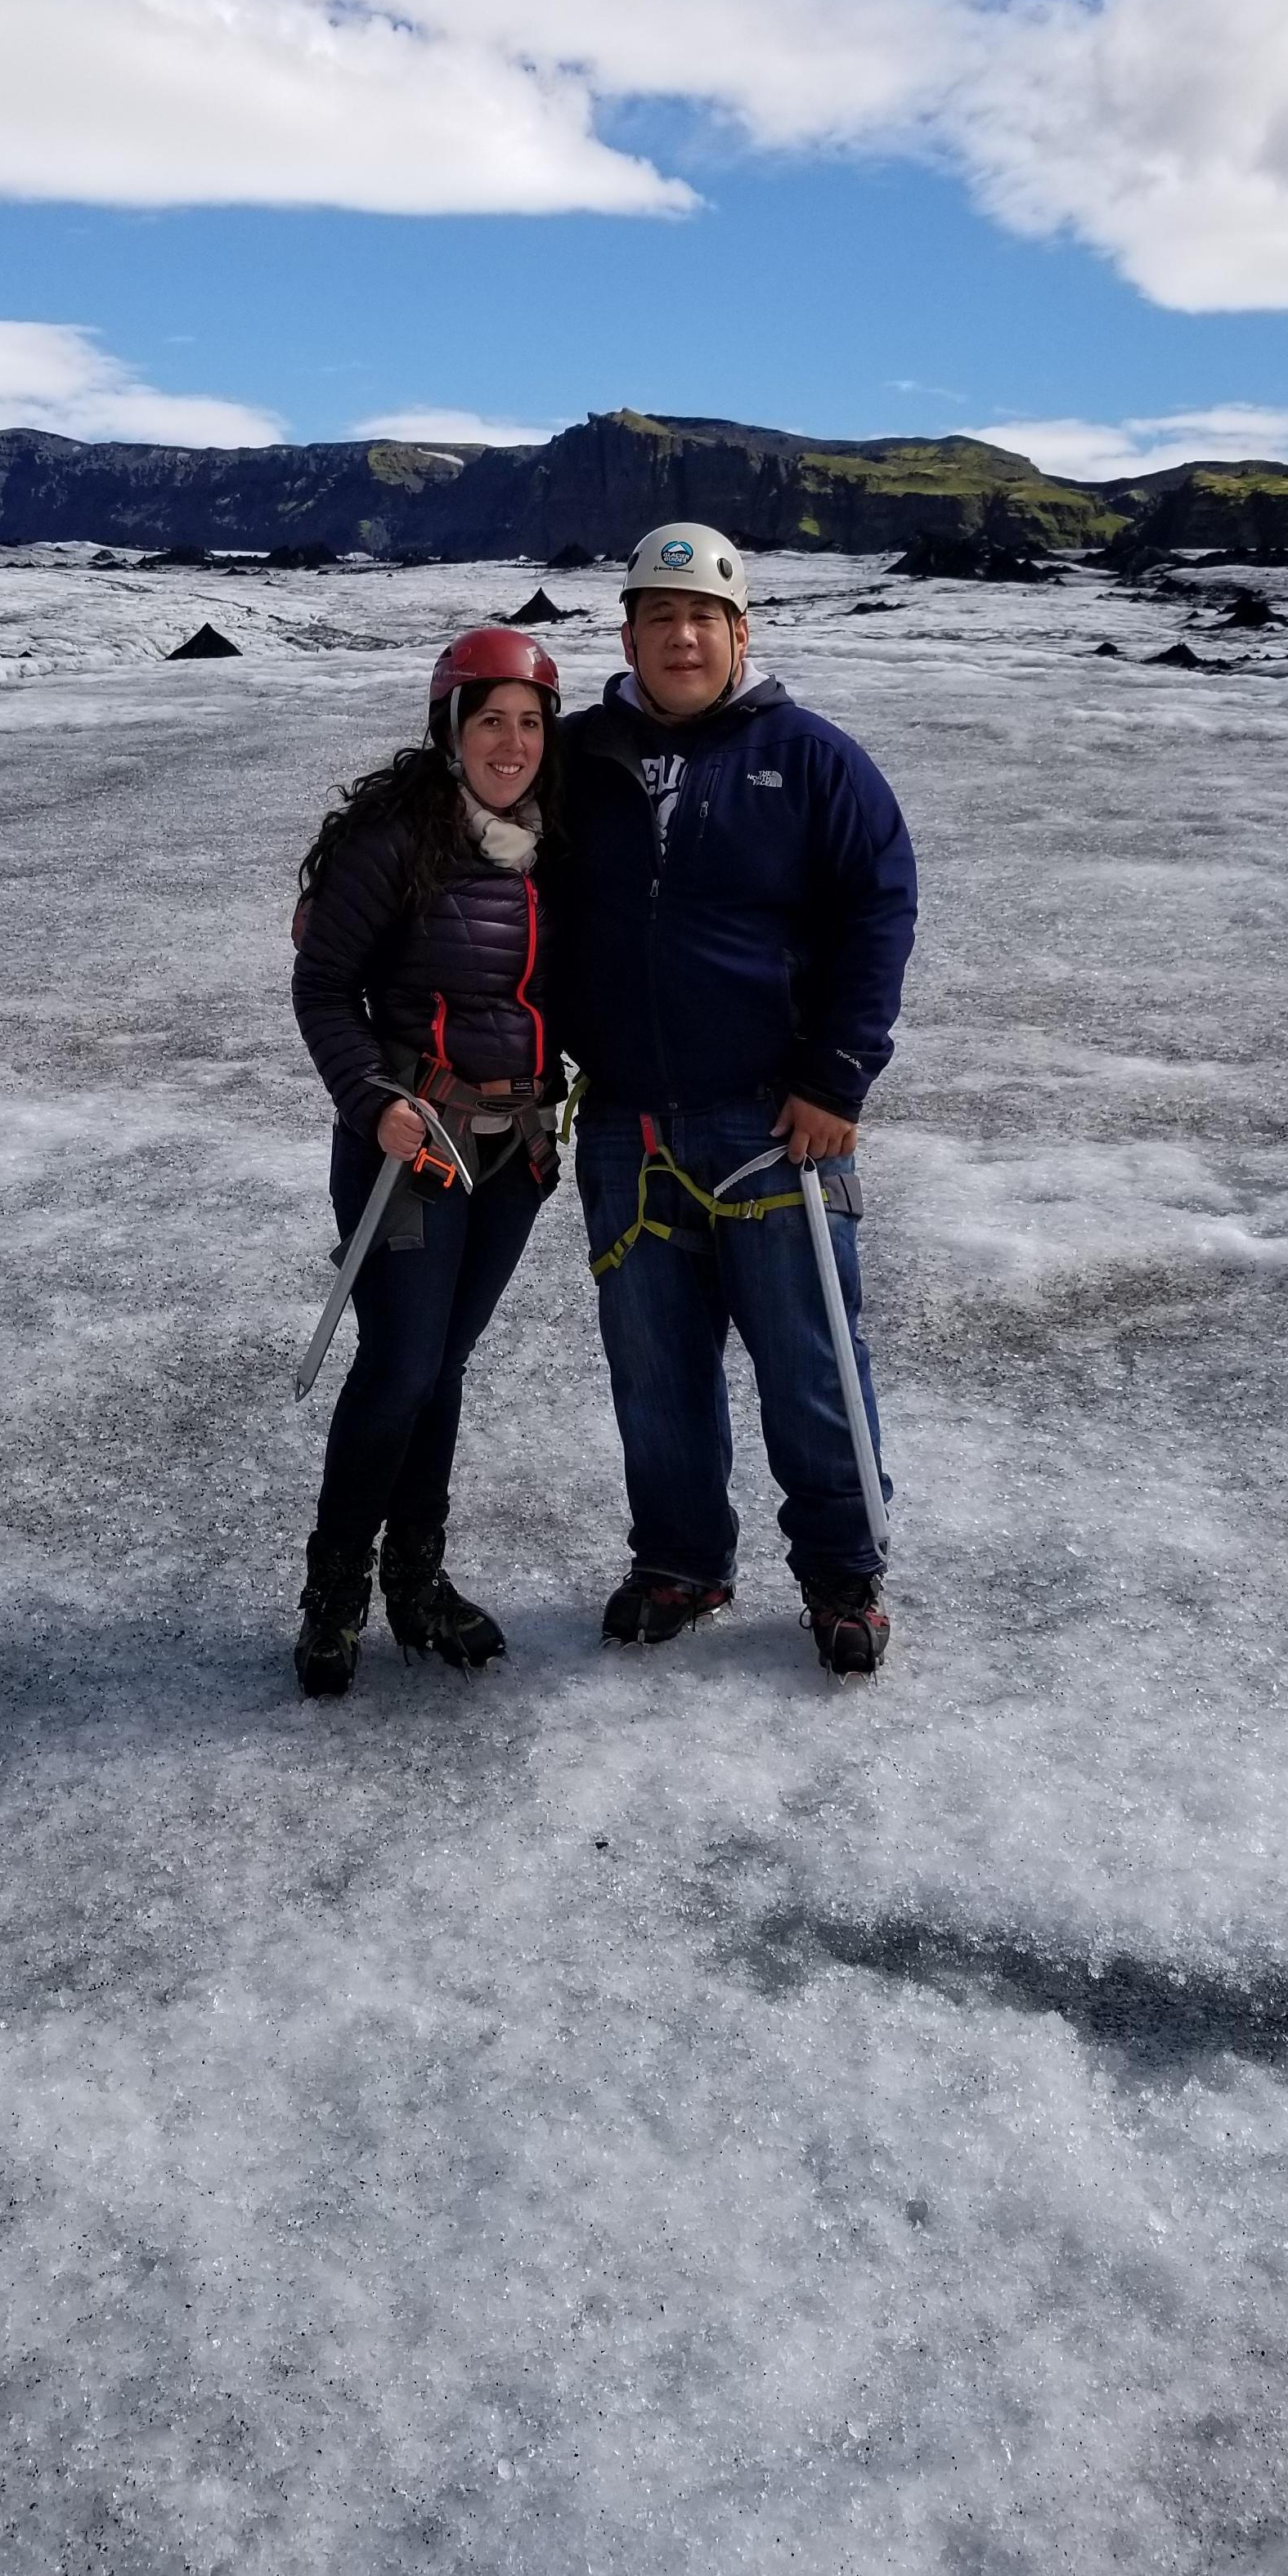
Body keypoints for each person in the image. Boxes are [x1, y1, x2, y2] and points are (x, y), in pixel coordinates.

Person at [550, 523, 919, 1675]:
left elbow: (879, 911)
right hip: (623, 1119)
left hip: (773, 1120)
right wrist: (342, 888)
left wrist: (835, 1077)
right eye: (658, 618)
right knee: (654, 1371)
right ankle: (679, 1560)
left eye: (701, 618)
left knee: (810, 1364)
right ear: (628, 634)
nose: (681, 637)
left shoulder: (812, 759)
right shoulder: (575, 756)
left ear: (739, 632)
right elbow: (463, 841)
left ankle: (843, 1575)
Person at [286, 627, 571, 1699]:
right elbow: (325, 991)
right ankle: (335, 1598)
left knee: (440, 1371)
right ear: (450, 727)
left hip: (515, 1152)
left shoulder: (554, 843)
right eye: (489, 718)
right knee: (402, 1366)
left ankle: (418, 1583)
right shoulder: (399, 839)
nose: (512, 741)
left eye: (531, 722)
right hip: (414, 1147)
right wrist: (371, 1099)